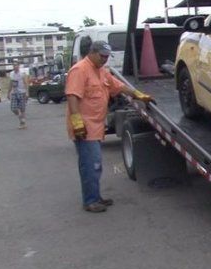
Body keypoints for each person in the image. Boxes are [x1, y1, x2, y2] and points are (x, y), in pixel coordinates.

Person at [65, 41, 154, 213]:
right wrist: (77, 122)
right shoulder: (79, 70)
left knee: (94, 164)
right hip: (84, 127)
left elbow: (118, 86)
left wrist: (138, 95)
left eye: (107, 57)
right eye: (102, 56)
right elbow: (72, 96)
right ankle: (90, 201)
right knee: (91, 164)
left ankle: (95, 197)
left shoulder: (101, 72)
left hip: (96, 126)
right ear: (92, 53)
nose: (105, 60)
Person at [7, 61, 30, 128]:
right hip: (14, 93)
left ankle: (22, 123)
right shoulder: (11, 74)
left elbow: (26, 83)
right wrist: (8, 93)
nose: (15, 67)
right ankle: (20, 117)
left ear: (18, 66)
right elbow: (10, 84)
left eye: (16, 65)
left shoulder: (22, 74)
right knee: (13, 108)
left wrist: (27, 92)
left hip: (22, 92)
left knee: (22, 108)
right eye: (14, 65)